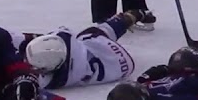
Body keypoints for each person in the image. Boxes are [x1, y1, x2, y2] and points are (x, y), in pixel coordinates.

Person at [15, 10, 144, 89]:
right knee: (94, 35)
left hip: (116, 64)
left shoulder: (50, 80)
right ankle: (131, 17)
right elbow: (59, 36)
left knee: (95, 36)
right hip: (110, 56)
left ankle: (128, 19)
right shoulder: (65, 41)